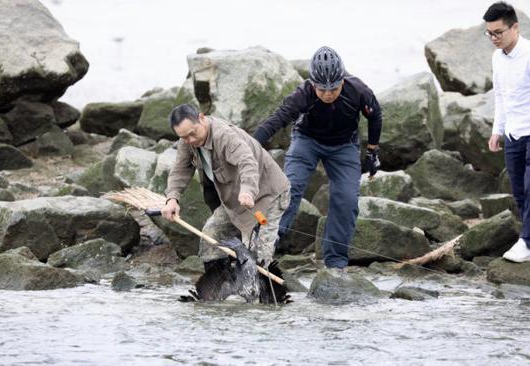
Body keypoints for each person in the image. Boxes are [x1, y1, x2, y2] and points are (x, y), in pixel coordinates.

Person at [253, 46, 383, 271]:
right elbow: (276, 120)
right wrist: (251, 147)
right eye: (322, 89)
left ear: (342, 79)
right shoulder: (302, 95)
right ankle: (263, 245)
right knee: (289, 190)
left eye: (333, 88)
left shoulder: (359, 91)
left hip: (344, 145)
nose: (328, 94)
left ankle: (335, 263)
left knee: (346, 200)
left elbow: (375, 116)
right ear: (313, 83)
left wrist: (372, 152)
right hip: (307, 141)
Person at [161, 104, 290, 267]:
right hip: (235, 199)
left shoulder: (224, 136)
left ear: (201, 118)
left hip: (268, 193)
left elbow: (247, 162)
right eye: (184, 137)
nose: (190, 140)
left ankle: (262, 284)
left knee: (258, 257)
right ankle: (219, 285)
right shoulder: (187, 142)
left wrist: (248, 191)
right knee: (211, 235)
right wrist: (172, 199)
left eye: (193, 133)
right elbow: (180, 170)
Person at [485, 2, 530, 262]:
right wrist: (497, 130)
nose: (493, 38)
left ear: (515, 27)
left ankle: (526, 242)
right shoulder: (496, 57)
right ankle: (527, 236)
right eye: (489, 33)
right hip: (513, 133)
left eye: (498, 32)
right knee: (520, 192)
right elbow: (500, 95)